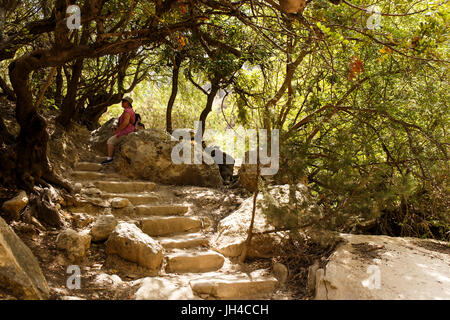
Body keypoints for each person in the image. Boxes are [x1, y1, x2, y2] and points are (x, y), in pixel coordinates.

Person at [101, 96, 136, 164]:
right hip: (128, 130)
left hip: (126, 131)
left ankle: (109, 159)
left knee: (110, 141)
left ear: (128, 103)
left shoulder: (127, 111)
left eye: (123, 102)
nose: (122, 103)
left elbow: (125, 123)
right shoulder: (129, 110)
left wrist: (117, 131)